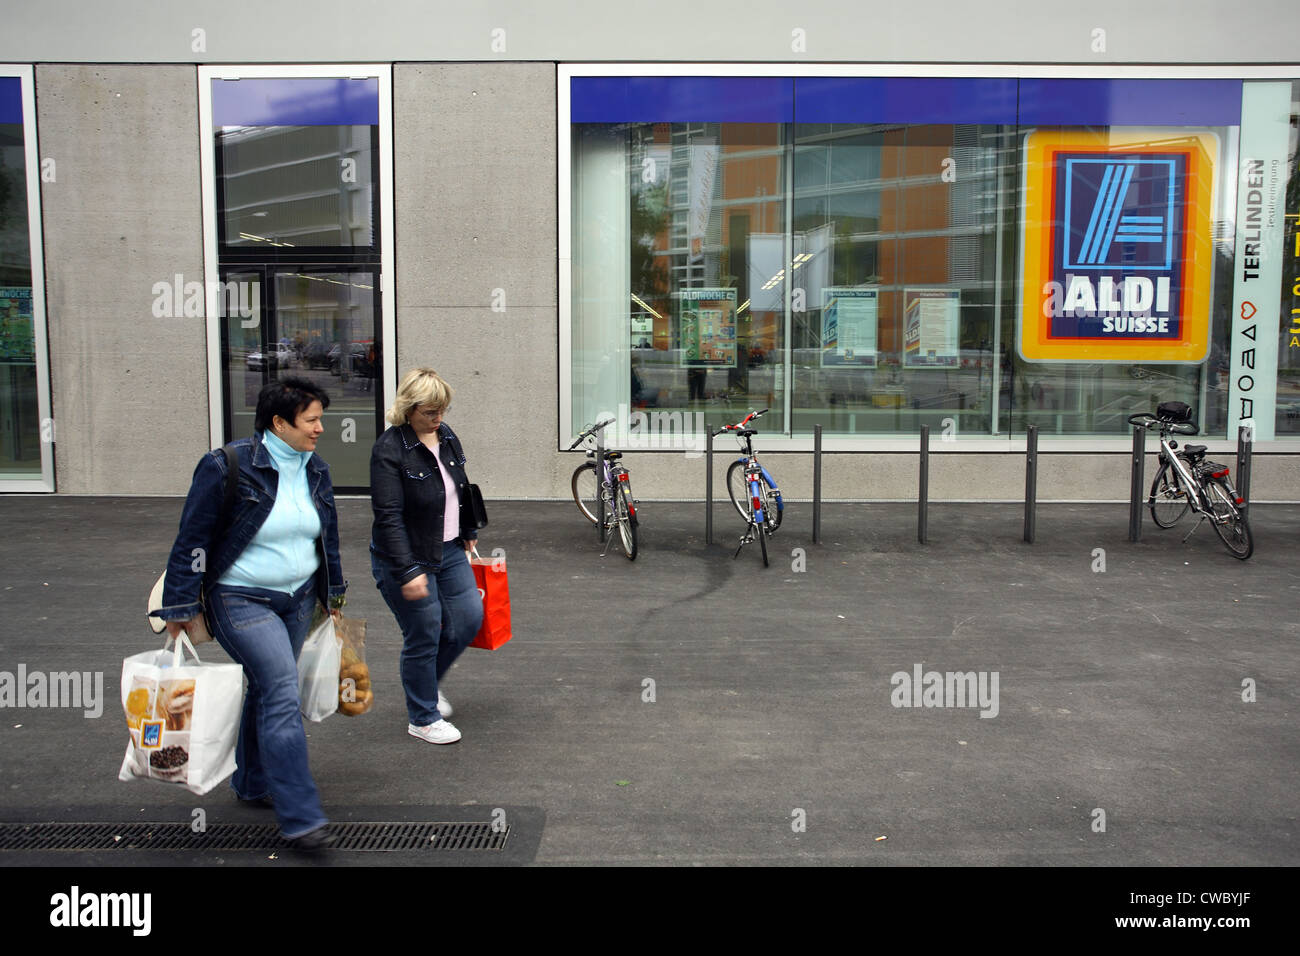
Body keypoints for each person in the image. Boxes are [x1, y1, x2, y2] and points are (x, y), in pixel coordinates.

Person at [151, 377, 347, 851]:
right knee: (281, 688)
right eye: (311, 420)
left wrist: (332, 598)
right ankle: (301, 816)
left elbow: (326, 537)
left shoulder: (315, 468)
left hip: (298, 597)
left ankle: (252, 782)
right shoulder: (226, 466)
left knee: (264, 688)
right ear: (279, 423)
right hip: (240, 599)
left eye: (321, 418)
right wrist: (178, 604)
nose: (322, 428)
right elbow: (191, 539)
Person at [370, 368, 484, 745]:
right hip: (406, 558)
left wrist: (467, 532)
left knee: (467, 621)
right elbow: (388, 516)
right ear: (407, 408)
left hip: (449, 548)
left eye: (442, 411)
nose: (438, 420)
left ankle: (426, 686)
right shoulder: (389, 449)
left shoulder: (446, 436)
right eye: (430, 413)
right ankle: (422, 717)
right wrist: (407, 571)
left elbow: (460, 487)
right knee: (425, 633)